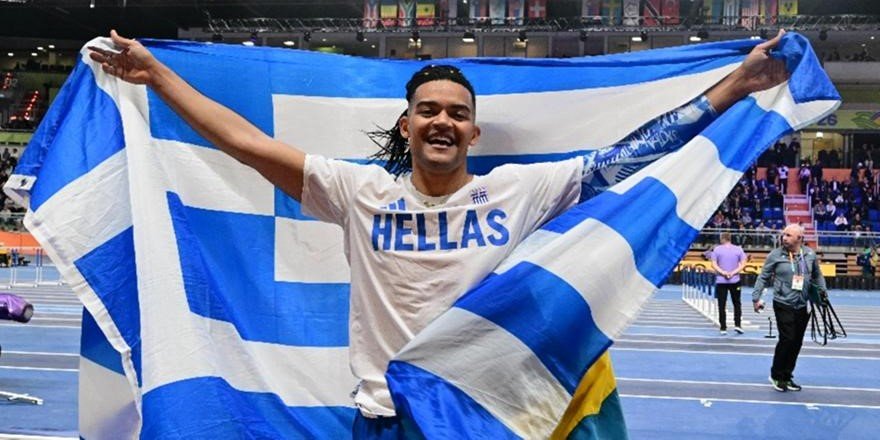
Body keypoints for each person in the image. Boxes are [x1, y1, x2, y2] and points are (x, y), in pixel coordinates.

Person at [89, 30, 789, 435]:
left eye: (456, 112)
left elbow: (633, 156)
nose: (442, 121)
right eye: (428, 110)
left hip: (479, 419)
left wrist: (736, 85)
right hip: (385, 418)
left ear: (474, 132)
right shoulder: (359, 192)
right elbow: (246, 143)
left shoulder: (517, 190)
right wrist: (157, 76)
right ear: (407, 126)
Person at [752, 224, 827, 392]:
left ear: (799, 238)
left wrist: (823, 293)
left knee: (797, 342)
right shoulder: (775, 255)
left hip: (803, 304)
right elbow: (763, 276)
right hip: (783, 303)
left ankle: (787, 375)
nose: (784, 238)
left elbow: (817, 275)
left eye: (788, 235)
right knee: (787, 339)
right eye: (784, 234)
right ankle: (776, 375)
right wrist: (756, 298)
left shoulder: (809, 254)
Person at [711, 232, 748, 335]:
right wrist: (733, 272)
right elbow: (743, 264)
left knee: (721, 304)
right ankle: (738, 325)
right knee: (737, 303)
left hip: (721, 281)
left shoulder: (717, 249)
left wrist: (723, 272)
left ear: (722, 238)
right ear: (730, 238)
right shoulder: (738, 249)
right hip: (735, 280)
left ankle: (723, 327)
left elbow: (714, 264)